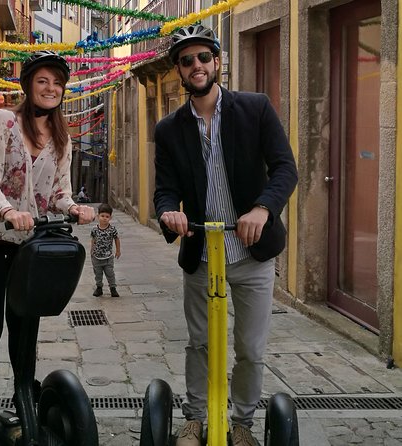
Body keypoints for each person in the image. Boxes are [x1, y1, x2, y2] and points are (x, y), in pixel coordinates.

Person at [153, 25, 298, 446]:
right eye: (186, 61)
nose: (196, 66)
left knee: (250, 349)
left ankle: (242, 424)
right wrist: (167, 212)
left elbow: (285, 168)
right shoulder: (169, 129)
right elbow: (165, 188)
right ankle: (195, 418)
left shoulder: (255, 109)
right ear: (178, 71)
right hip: (202, 253)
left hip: (253, 254)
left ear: (217, 61)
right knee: (199, 344)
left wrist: (262, 208)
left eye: (203, 57)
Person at [0, 50, 95, 445]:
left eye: (57, 83)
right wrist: (6, 211)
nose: (51, 88)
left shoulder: (61, 139)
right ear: (29, 85)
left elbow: (58, 192)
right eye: (43, 81)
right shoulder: (3, 121)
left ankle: (25, 407)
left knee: (25, 332)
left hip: (27, 248)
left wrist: (74, 208)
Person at [90, 203, 121, 297]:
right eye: (102, 216)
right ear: (98, 216)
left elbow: (116, 239)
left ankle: (113, 288)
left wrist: (118, 250)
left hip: (108, 257)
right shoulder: (95, 229)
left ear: (110, 218)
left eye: (107, 216)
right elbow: (93, 239)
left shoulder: (112, 229)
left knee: (110, 273)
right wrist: (91, 250)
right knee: (98, 274)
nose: (104, 218)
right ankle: (99, 288)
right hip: (96, 257)